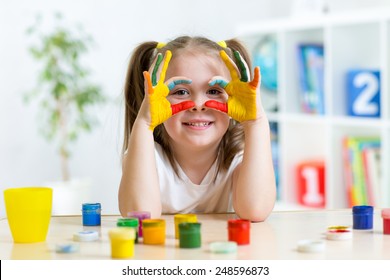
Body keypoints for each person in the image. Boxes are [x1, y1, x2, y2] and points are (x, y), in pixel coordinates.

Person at [118, 36, 276, 222]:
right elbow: (140, 216)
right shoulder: (146, 154)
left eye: (215, 91)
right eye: (181, 92)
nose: (198, 104)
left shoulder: (241, 157)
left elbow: (255, 211)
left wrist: (256, 121)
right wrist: (144, 124)